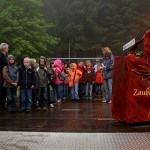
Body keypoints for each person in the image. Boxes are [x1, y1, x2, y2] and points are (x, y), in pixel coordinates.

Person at [0, 43, 8, 110]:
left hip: (4, 75)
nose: (8, 49)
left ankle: (2, 104)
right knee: (1, 89)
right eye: (7, 48)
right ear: (4, 49)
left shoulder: (5, 55)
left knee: (4, 89)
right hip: (1, 75)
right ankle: (1, 105)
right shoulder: (1, 55)